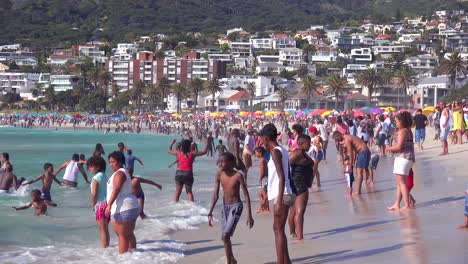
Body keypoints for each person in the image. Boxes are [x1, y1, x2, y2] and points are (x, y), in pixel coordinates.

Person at [207, 152, 254, 264]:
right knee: (224, 237)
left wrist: (249, 215)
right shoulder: (219, 174)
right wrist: (210, 212)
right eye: (220, 161)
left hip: (236, 207)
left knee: (226, 235)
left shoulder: (238, 176)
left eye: (223, 161)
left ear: (231, 163)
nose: (221, 163)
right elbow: (216, 195)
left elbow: (246, 195)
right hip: (225, 208)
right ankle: (232, 259)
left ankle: (229, 262)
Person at [258, 123, 295, 264]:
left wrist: (279, 199)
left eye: (261, 137)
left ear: (266, 138)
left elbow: (281, 177)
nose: (260, 140)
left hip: (283, 194)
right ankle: (286, 261)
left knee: (278, 230)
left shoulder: (275, 152)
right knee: (278, 229)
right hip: (285, 193)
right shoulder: (280, 150)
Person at [105, 151, 140, 254]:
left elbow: (116, 189)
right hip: (130, 206)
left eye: (113, 162)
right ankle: (133, 257)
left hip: (123, 207)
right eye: (110, 162)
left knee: (122, 236)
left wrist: (109, 205)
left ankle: (123, 259)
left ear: (120, 162)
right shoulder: (124, 172)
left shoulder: (120, 173)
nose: (111, 164)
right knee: (129, 234)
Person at [386, 111, 415, 211]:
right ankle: (397, 204)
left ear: (402, 121)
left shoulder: (403, 131)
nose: (396, 123)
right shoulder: (408, 130)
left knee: (402, 183)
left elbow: (398, 147)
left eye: (397, 121)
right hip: (408, 158)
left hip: (403, 157)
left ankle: (407, 205)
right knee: (400, 183)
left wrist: (388, 148)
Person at [288, 134, 313, 241]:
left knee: (293, 211)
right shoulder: (298, 153)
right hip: (299, 184)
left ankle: (293, 233)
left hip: (292, 184)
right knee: (300, 211)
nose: (310, 145)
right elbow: (286, 163)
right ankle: (300, 237)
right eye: (308, 143)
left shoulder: (300, 153)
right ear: (301, 143)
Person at [87, 156, 110, 248]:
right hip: (108, 204)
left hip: (100, 205)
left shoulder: (95, 178)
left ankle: (105, 250)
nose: (90, 168)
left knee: (102, 229)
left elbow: (94, 194)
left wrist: (93, 205)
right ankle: (107, 248)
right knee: (105, 229)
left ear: (98, 166)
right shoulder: (104, 176)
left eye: (91, 166)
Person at [254, 147, 269, 213]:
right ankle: (263, 208)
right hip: (265, 178)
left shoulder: (261, 160)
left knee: (263, 194)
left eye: (256, 153)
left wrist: (260, 179)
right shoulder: (263, 159)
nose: (255, 154)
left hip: (264, 178)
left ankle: (265, 208)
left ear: (260, 153)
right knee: (261, 193)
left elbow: (263, 172)